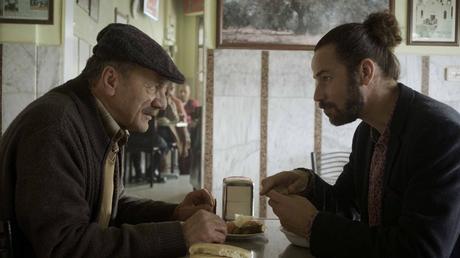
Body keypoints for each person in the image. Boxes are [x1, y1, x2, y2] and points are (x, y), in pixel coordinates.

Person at [0, 23, 227, 257]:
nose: (162, 103)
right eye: (155, 86)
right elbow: (64, 246)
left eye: (166, 91)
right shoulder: (55, 127)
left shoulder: (99, 120)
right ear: (110, 80)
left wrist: (174, 215)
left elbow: (106, 210)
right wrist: (180, 234)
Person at [261, 12, 460, 258]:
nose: (317, 95)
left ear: (365, 72)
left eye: (326, 78)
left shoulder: (441, 134)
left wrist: (312, 225)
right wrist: (306, 183)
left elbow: (421, 250)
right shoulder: (367, 132)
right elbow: (345, 206)